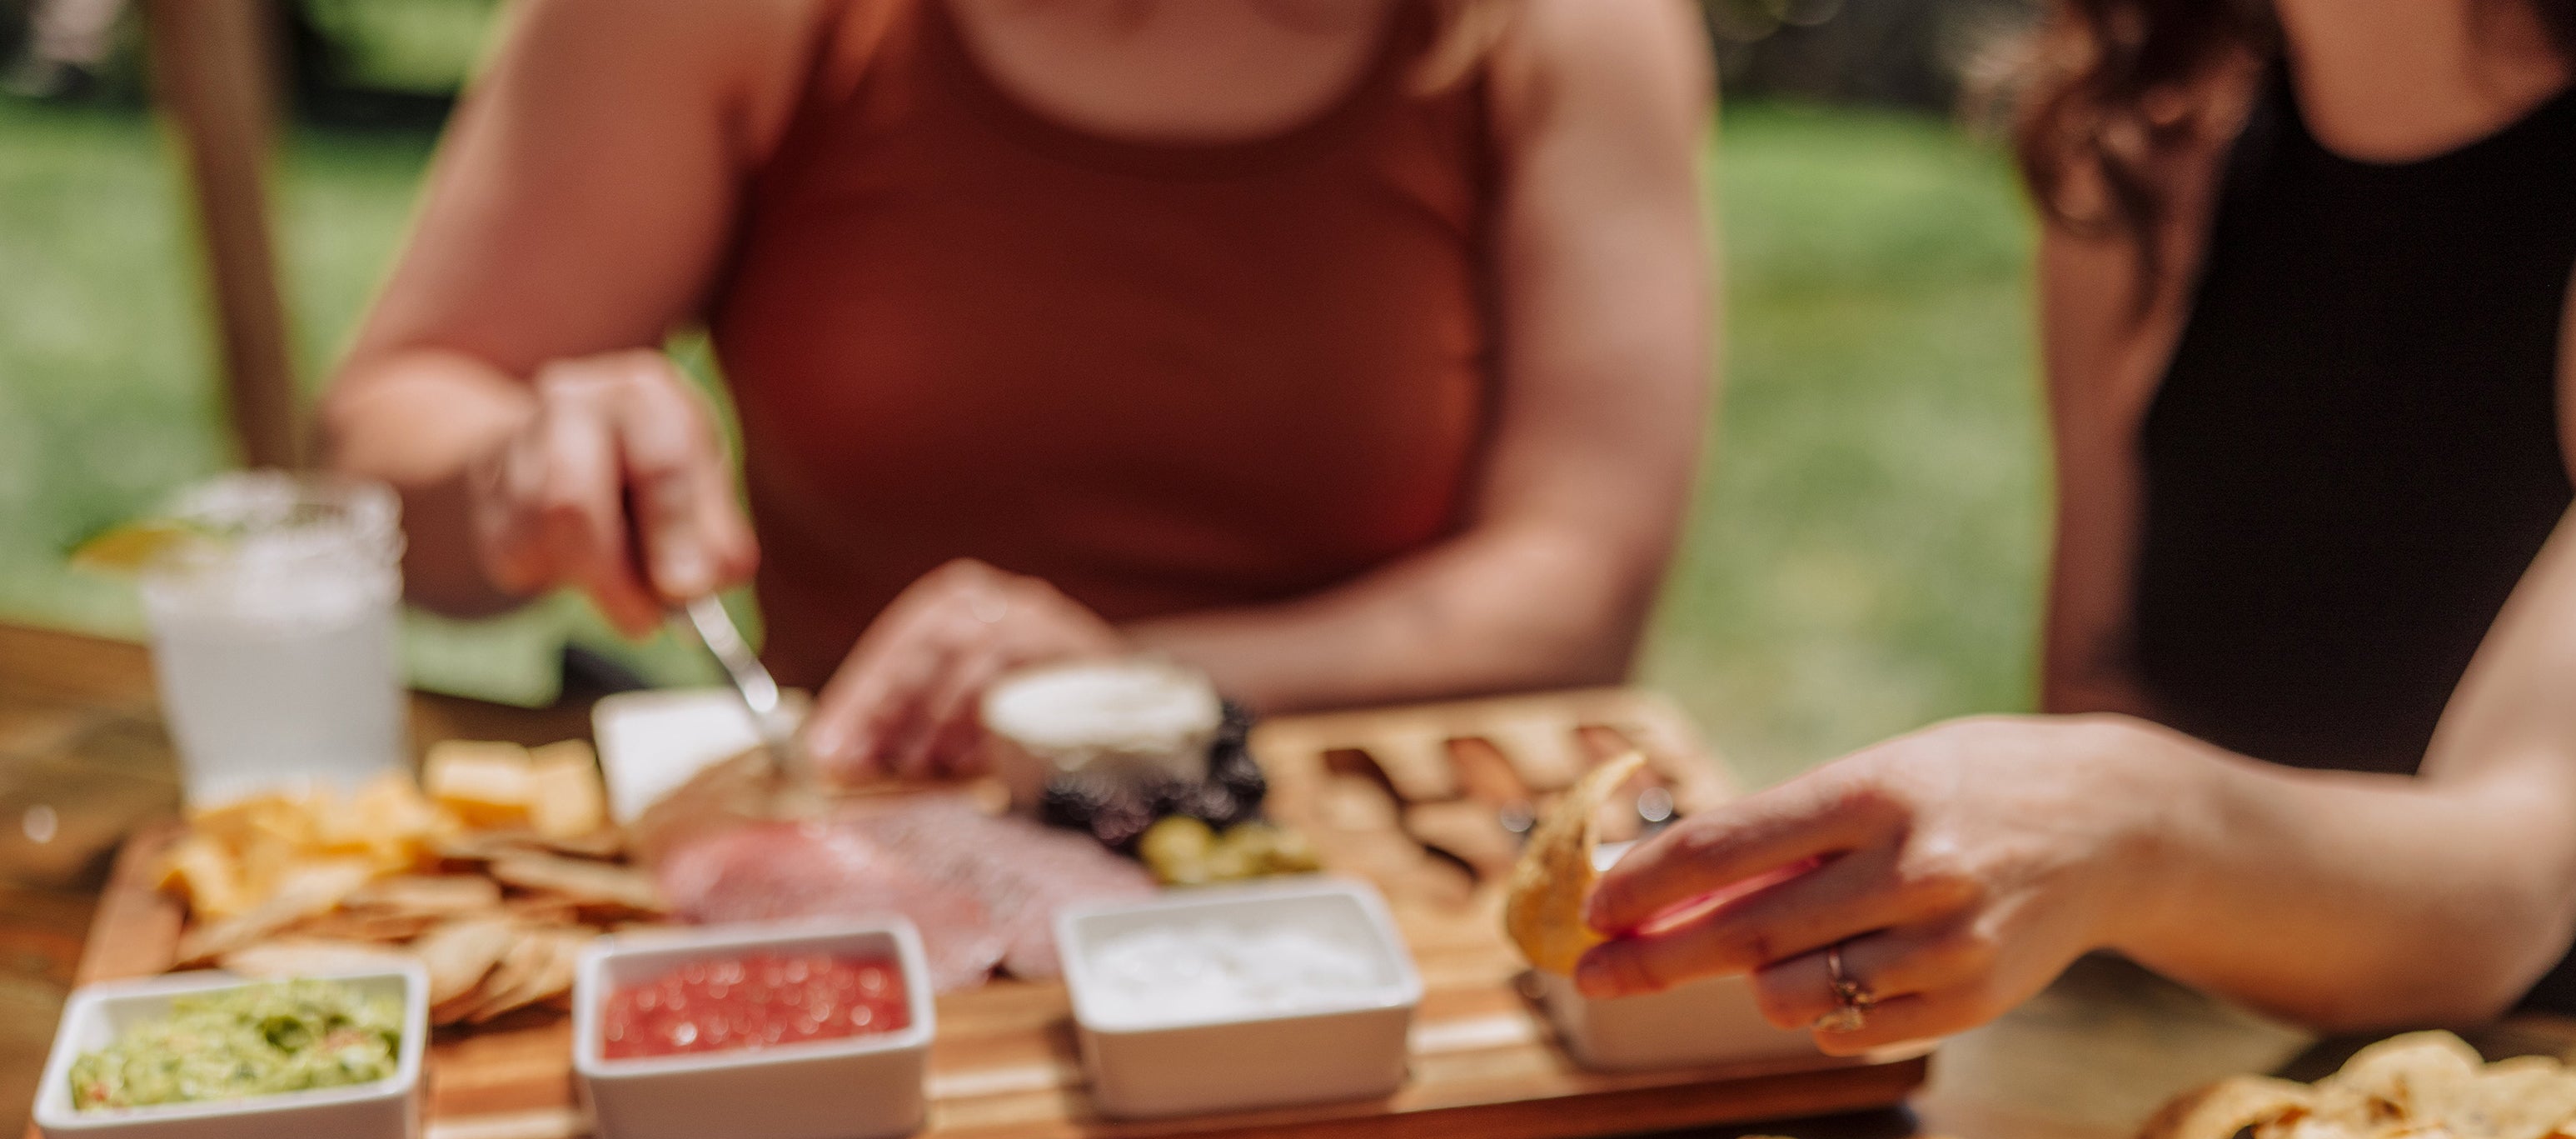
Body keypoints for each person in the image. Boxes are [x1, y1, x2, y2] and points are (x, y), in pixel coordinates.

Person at [1577, 0, 2576, 1037]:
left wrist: (2118, 820)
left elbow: (2505, 882)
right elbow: (2098, 689)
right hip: (2125, 1123)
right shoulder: (2146, 147)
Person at [321, 0, 1711, 777]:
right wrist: (514, 471)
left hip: (1369, 885)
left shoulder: (1564, 33)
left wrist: (1135, 688)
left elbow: (1573, 592)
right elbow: (385, 441)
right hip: (866, 870)